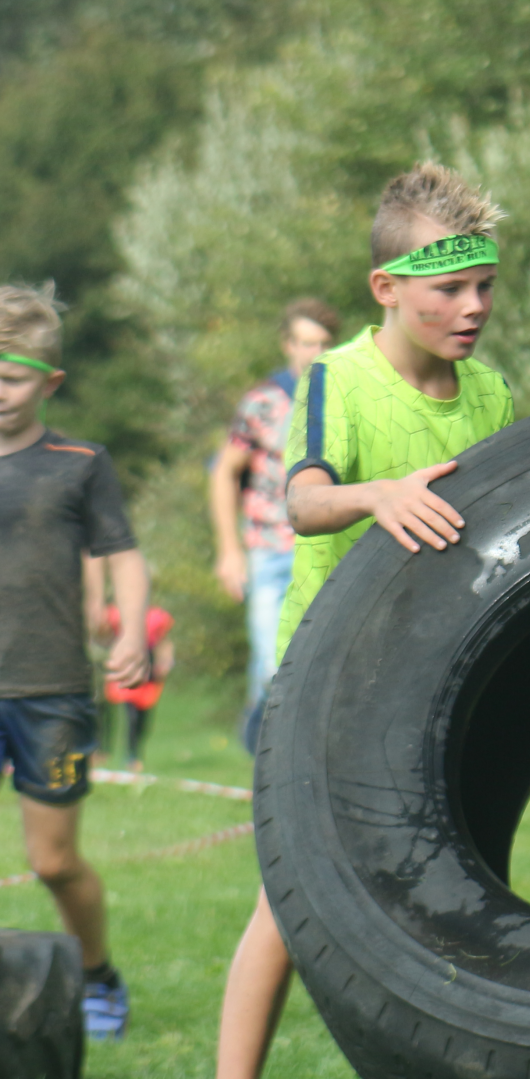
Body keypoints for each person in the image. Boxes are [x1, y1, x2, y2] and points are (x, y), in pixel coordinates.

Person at [194, 163, 515, 1079]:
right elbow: (301, 501)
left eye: (484, 286)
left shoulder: (492, 392)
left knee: (467, 898)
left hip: (441, 682)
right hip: (331, 679)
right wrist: (378, 496)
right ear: (387, 290)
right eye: (447, 291)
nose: (472, 309)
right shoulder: (338, 379)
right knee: (290, 901)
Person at [0, 281, 148, 1042]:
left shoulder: (79, 463)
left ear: (49, 382)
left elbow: (121, 555)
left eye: (13, 376)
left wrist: (130, 632)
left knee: (54, 862)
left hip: (50, 691)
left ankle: (97, 978)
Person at [208, 299, 338, 754]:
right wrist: (229, 552)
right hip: (269, 548)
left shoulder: (341, 396)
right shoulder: (262, 403)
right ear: (288, 345)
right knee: (271, 664)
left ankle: (296, 758)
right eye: (304, 342)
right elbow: (225, 471)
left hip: (324, 546)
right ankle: (264, 746)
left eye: (322, 343)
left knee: (318, 663)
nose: (312, 352)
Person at [102, 598, 176, 769]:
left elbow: (163, 642)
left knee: (143, 716)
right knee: (130, 714)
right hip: (126, 667)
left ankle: (136, 750)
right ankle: (127, 755)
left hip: (149, 670)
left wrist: (165, 662)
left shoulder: (157, 616)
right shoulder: (115, 614)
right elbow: (105, 637)